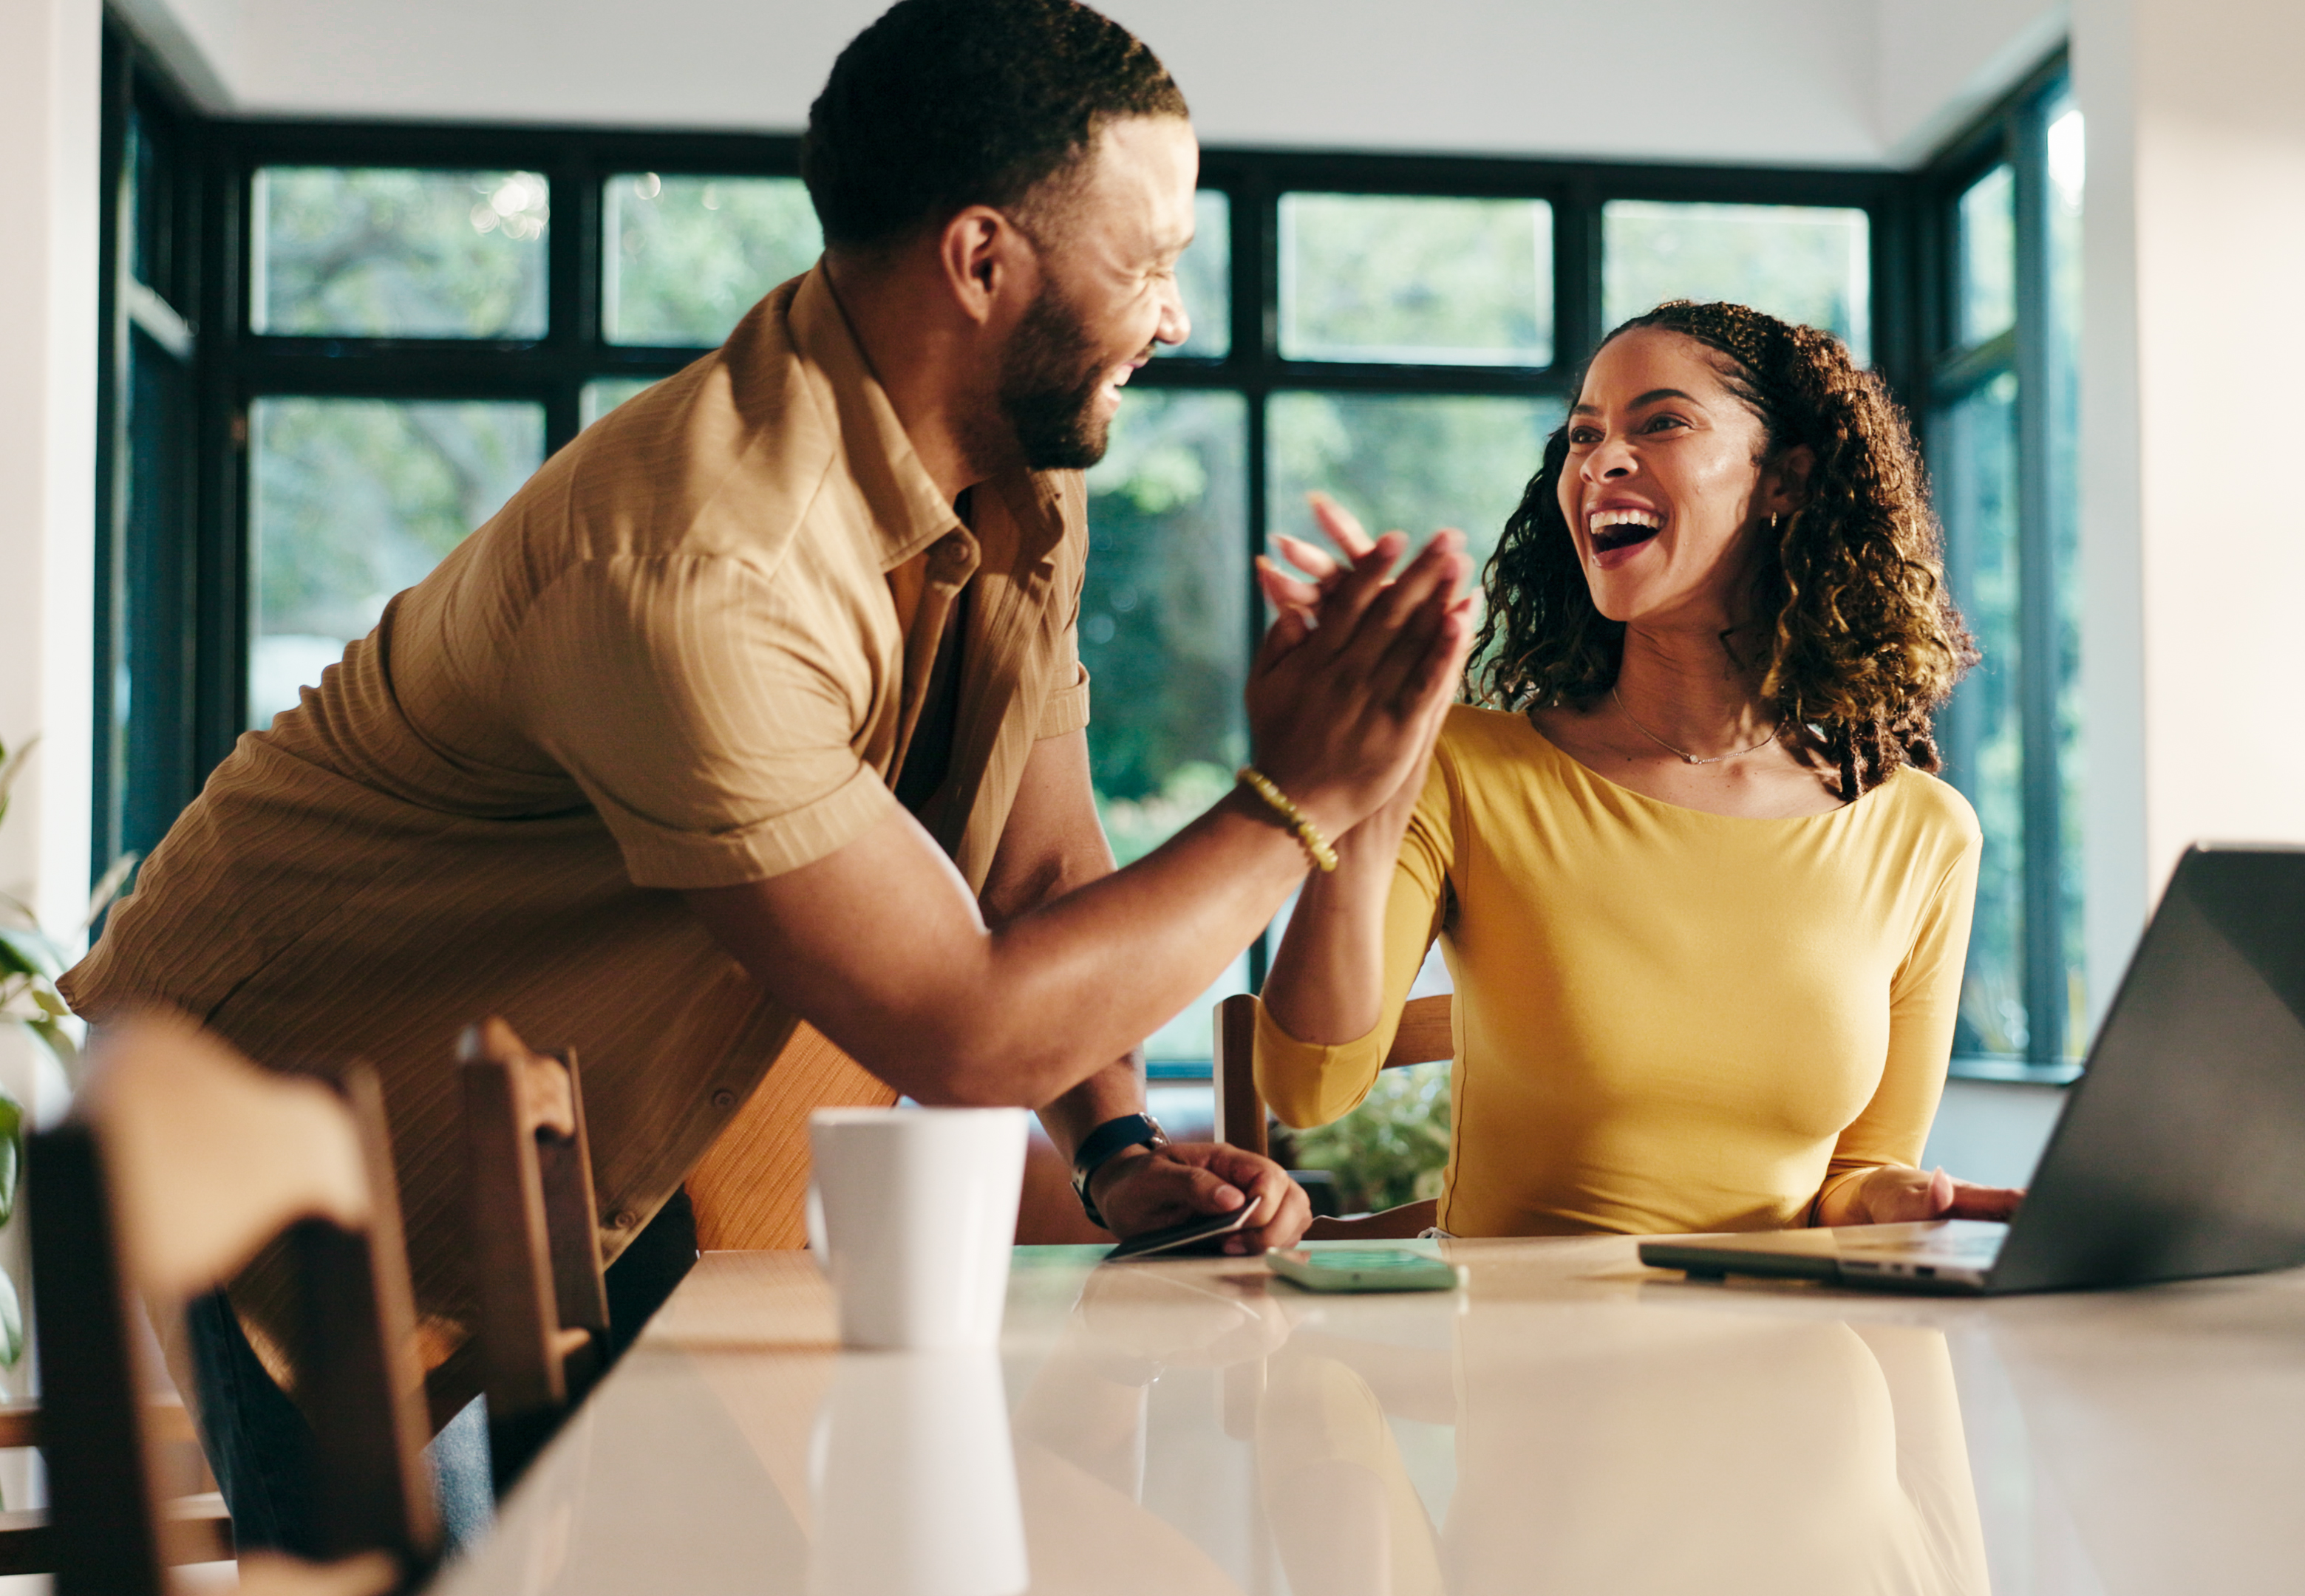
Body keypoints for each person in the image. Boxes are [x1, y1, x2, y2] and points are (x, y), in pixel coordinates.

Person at [61, 0, 1468, 1547]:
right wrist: (1302, 803)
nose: (1173, 315)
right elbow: (963, 1030)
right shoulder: (699, 570)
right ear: (982, 260)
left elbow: (1036, 876)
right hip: (293, 1083)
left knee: (692, 1554)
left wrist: (1121, 1150)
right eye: (1144, 262)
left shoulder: (1013, 473)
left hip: (585, 1117)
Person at [1253, 301, 2019, 1238]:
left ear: (1784, 478)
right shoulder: (1458, 768)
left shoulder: (1923, 832)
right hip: (1535, 1361)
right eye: (1583, 435)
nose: (1599, 461)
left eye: (1660, 422)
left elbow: (1859, 1171)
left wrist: (1899, 1198)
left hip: (1797, 1357)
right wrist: (1368, 795)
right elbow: (1306, 1088)